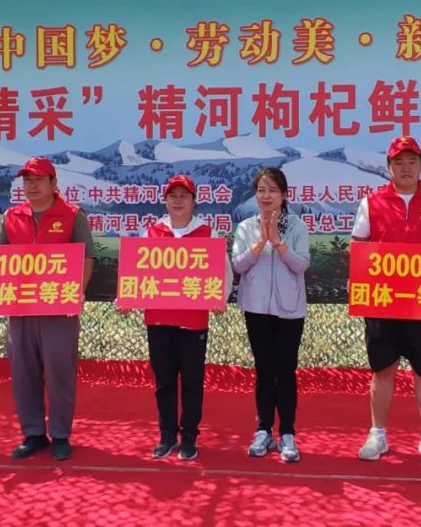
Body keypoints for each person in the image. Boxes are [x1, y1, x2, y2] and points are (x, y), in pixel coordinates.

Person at [351, 136, 421, 465]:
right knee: (383, 369)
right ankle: (378, 434)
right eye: (399, 162)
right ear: (389, 167)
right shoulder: (372, 202)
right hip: (383, 302)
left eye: (412, 162)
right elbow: (358, 247)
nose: (406, 168)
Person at [0, 157, 94, 462]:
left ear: (54, 183)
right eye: (27, 181)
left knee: (60, 370)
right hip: (20, 307)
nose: (32, 186)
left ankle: (61, 434)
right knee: (23, 370)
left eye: (39, 180)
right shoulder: (11, 216)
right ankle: (33, 433)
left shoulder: (73, 215)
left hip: (59, 308)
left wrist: (76, 292)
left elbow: (86, 257)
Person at [131, 174, 232, 461]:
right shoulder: (152, 233)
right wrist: (128, 297)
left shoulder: (207, 233)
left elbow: (224, 272)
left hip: (193, 320)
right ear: (165, 201)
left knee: (191, 380)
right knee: (163, 380)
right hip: (159, 319)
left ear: (194, 201)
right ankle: (167, 434)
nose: (178, 201)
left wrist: (220, 298)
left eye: (183, 196)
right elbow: (136, 272)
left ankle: (189, 435)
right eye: (173, 196)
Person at [232, 167, 310, 463]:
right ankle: (263, 430)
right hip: (256, 309)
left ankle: (287, 433)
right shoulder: (246, 227)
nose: (266, 196)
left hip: (290, 310)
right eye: (261, 190)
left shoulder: (297, 227)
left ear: (284, 195)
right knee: (264, 371)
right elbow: (238, 265)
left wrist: (277, 240)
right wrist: (260, 242)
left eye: (272, 191)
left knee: (286, 371)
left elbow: (301, 265)